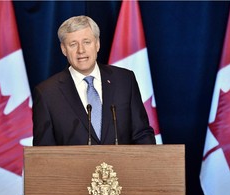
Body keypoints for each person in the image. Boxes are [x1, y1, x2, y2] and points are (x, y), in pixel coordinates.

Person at [32, 15, 155, 146]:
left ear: (97, 44)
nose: (81, 50)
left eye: (87, 42)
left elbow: (142, 134)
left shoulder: (124, 80)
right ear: (63, 49)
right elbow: (43, 151)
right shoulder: (47, 93)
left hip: (123, 166)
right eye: (73, 44)